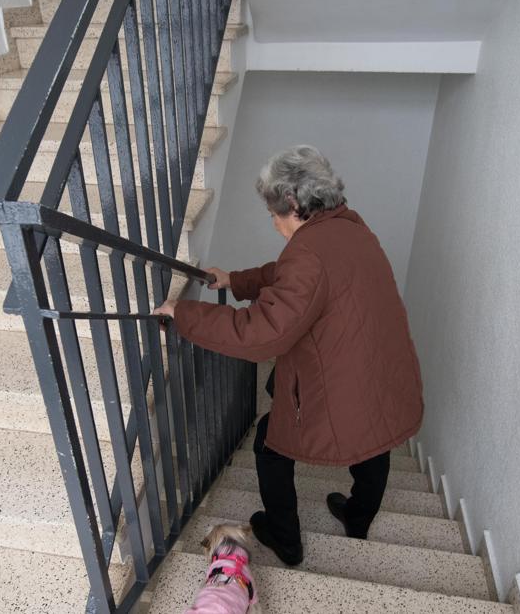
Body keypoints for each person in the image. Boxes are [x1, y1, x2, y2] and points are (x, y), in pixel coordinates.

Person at [152, 145, 424, 565]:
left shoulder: (308, 252)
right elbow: (290, 279)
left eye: (274, 213)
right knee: (374, 438)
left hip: (341, 372)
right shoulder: (349, 227)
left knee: (269, 444)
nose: (273, 222)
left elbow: (264, 333)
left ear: (293, 204)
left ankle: (285, 538)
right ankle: (358, 518)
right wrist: (236, 281)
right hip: (377, 364)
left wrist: (186, 314)